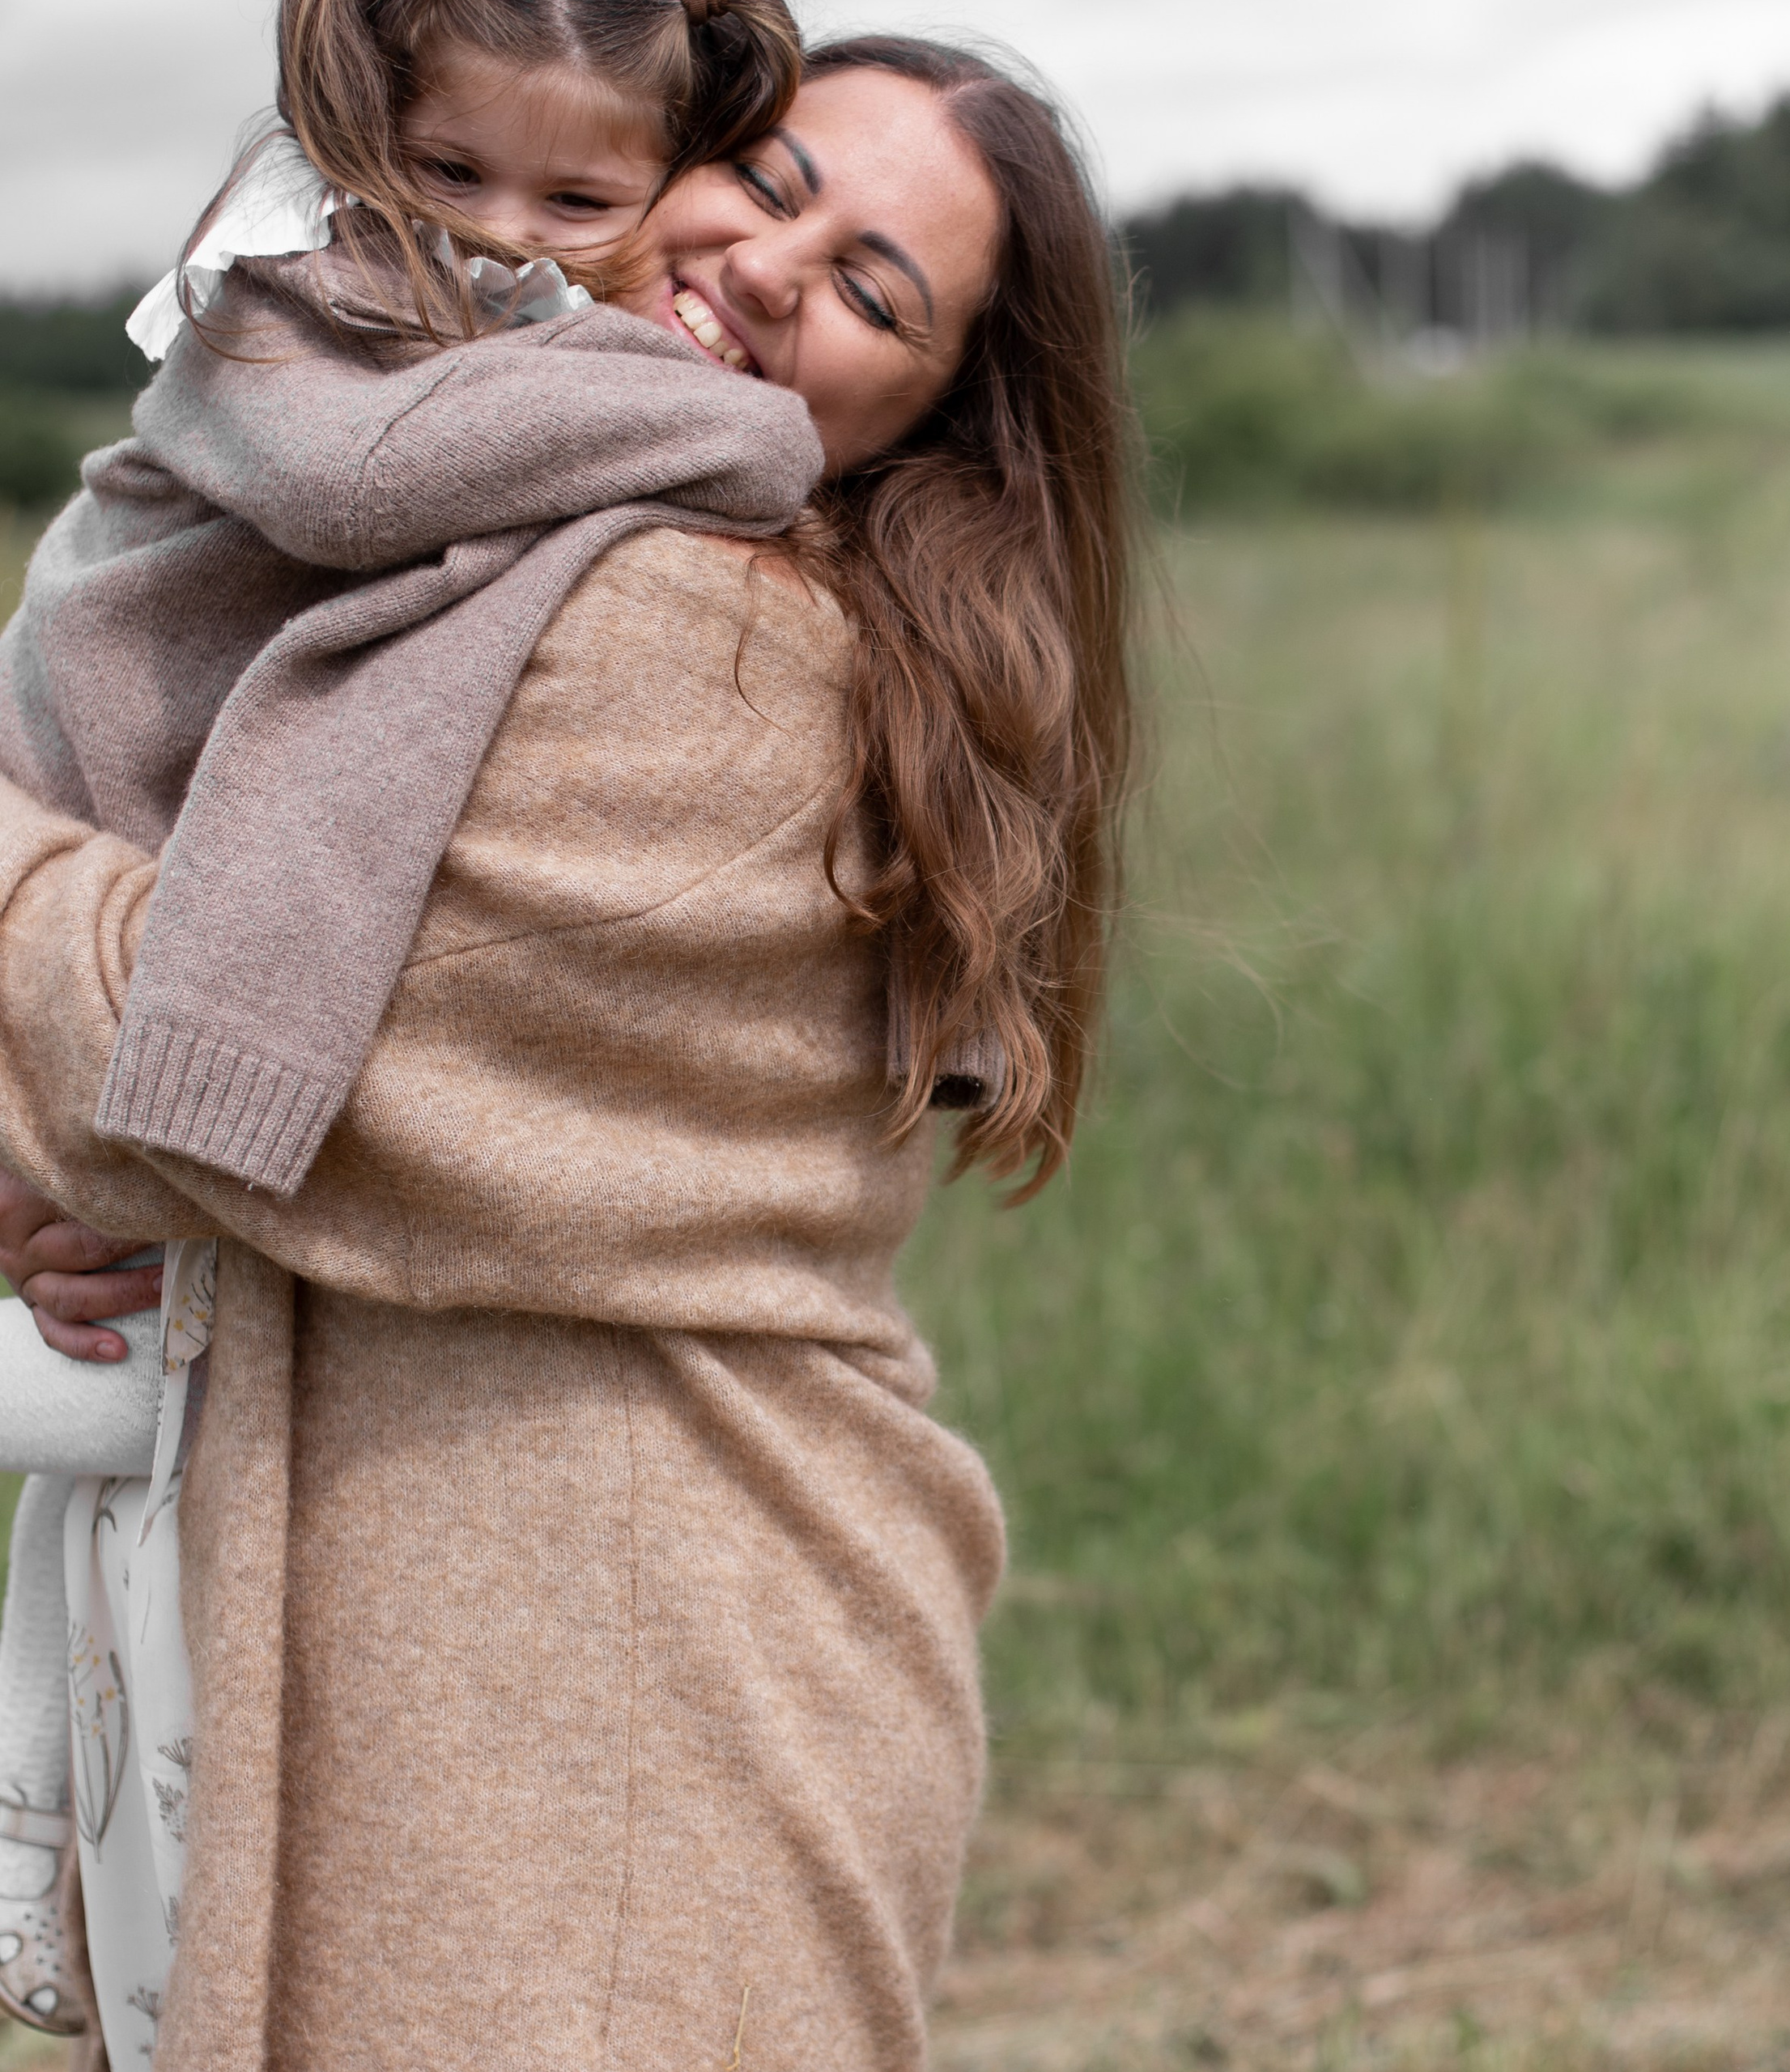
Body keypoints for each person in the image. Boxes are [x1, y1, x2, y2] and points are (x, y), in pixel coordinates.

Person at [0, 32, 1137, 2071]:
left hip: (624, 1700)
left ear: (939, 421)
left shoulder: (703, 648)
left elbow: (194, 1056)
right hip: (457, 1639)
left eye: (879, 290)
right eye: (773, 184)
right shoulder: (504, 547)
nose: (783, 272)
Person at [0, 0, 814, 2041]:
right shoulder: (292, 274)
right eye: (449, 172)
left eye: (573, 196)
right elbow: (363, 483)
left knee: (125, 1405)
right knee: (95, 1370)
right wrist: (747, 428)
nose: (491, 228)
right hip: (89, 774)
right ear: (369, 121)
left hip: (152, 862)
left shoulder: (535, 327)